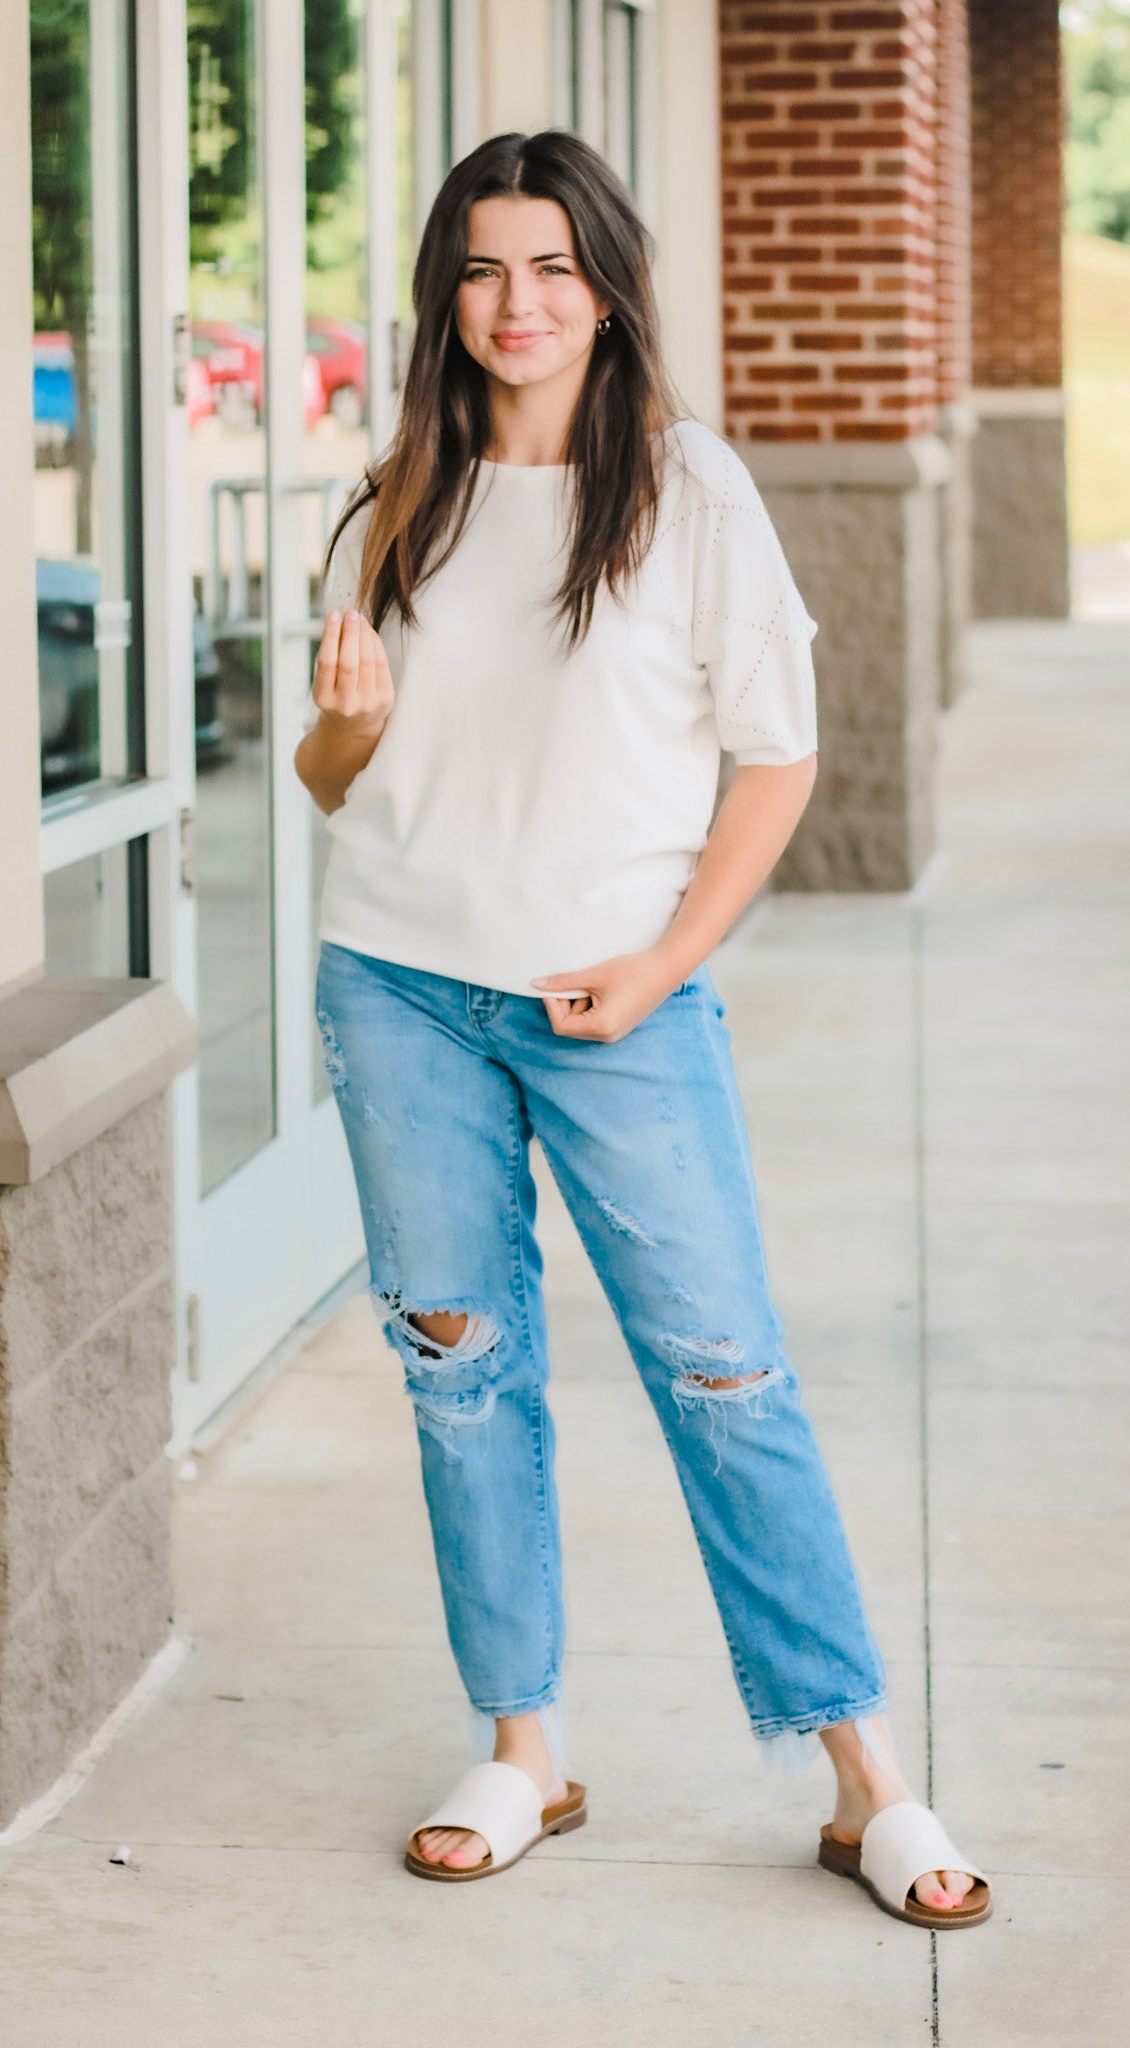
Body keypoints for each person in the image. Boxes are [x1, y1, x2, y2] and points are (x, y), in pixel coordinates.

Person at [293, 128, 991, 1930]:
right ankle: (522, 1749)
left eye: (550, 266)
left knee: (723, 1369)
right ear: (445, 294)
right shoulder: (393, 504)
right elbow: (332, 778)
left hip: (619, 999)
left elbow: (777, 759)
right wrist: (346, 724)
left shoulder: (690, 492)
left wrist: (667, 959)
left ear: (605, 290)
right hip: (398, 985)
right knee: (459, 1371)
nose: (514, 302)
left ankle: (865, 1780)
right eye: (480, 268)